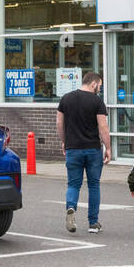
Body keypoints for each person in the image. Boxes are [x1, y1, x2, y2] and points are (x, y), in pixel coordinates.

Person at [56, 70, 110, 234]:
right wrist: (108, 147)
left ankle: (71, 207)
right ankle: (93, 223)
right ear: (93, 83)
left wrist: (65, 141)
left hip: (73, 148)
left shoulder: (66, 98)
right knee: (94, 185)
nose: (99, 89)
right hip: (93, 149)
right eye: (99, 86)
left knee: (73, 184)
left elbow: (59, 123)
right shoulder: (97, 101)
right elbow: (102, 126)